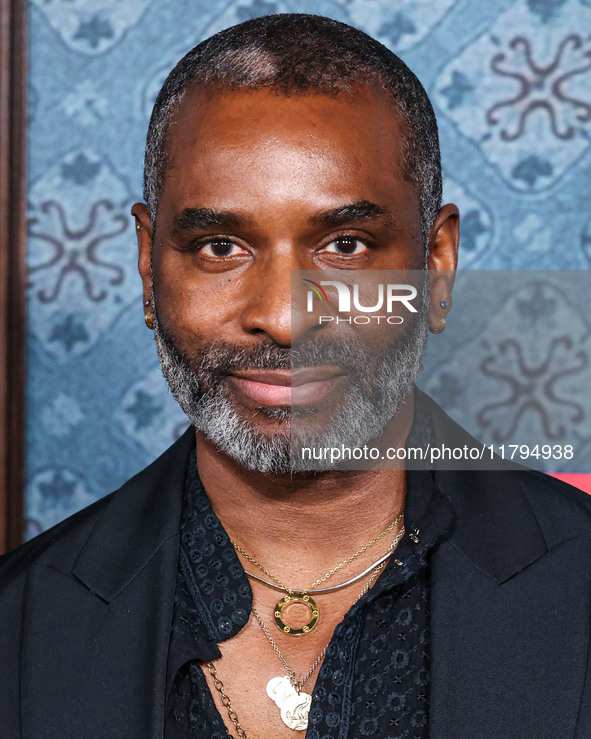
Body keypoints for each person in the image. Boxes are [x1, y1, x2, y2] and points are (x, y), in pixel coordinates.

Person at [2, 13, 591, 739]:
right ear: (148, 268)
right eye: (220, 246)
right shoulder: (19, 624)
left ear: (436, 266)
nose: (283, 316)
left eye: (344, 244)